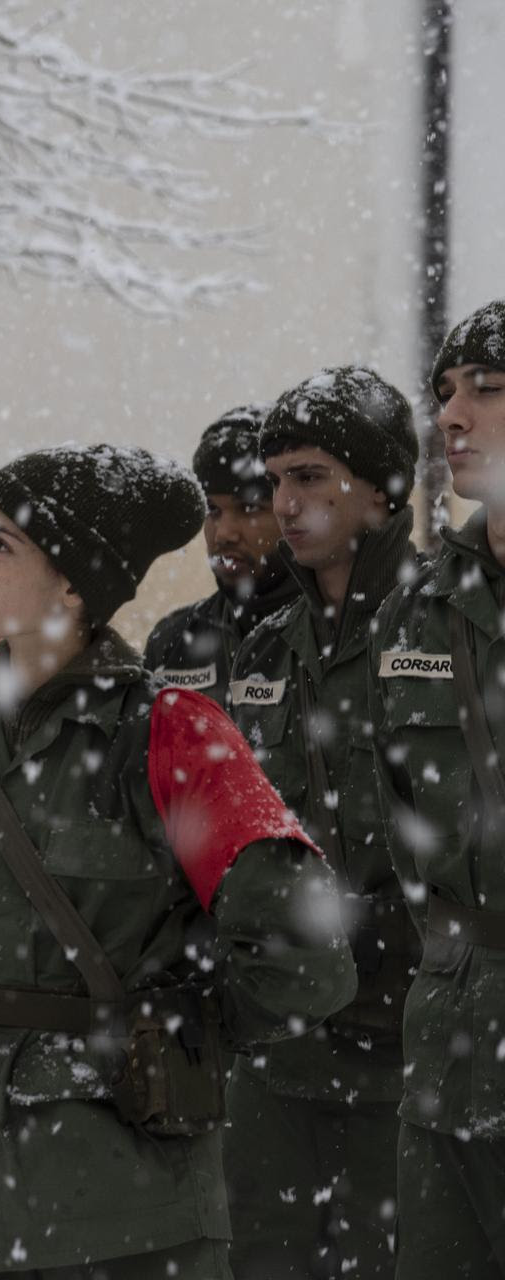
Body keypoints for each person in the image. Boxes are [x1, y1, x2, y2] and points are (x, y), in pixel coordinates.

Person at [0, 444, 358, 1279]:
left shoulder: (173, 732)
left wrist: (176, 1039)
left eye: (0, 544)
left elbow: (308, 957)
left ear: (74, 584)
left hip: (128, 1219)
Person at [224, 367, 421, 1279]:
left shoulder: (445, 631)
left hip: (414, 1046)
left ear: (383, 489)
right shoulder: (265, 648)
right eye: (275, 481)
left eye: (309, 476)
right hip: (277, 1051)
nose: (283, 504)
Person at [371, 298, 505, 1278]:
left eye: (489, 391)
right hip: (451, 1038)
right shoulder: (418, 605)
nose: (453, 417)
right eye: (445, 393)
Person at [143, 406, 294, 706]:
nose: (223, 533)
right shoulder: (172, 643)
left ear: (288, 512)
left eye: (249, 508)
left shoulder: (332, 635)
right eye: (211, 510)